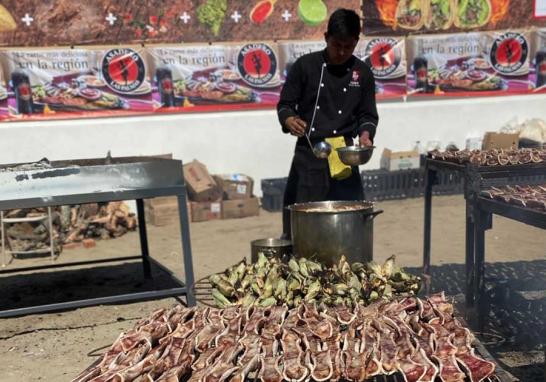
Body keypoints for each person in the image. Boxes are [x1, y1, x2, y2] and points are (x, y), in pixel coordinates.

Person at [277, 8, 379, 239]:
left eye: (348, 46)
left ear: (356, 42)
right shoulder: (305, 66)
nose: (342, 52)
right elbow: (285, 105)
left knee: (348, 225)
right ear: (326, 38)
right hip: (310, 153)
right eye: (336, 45)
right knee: (303, 227)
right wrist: (290, 120)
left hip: (343, 157)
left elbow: (368, 116)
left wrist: (365, 135)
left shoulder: (362, 73)